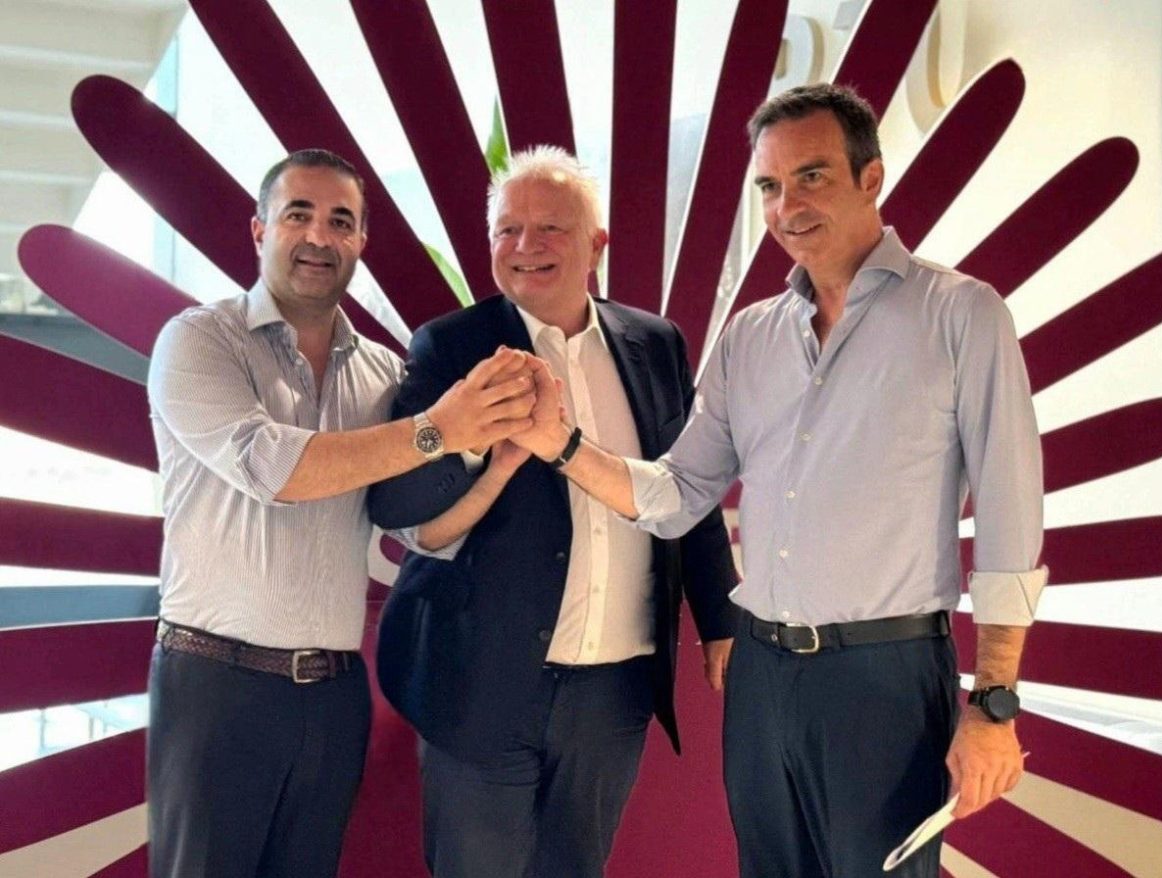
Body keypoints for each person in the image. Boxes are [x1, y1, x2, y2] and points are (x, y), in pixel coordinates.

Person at [505, 85, 1047, 877]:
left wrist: (994, 705)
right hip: (761, 678)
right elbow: (676, 494)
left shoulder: (962, 315)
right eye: (769, 185)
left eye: (812, 176)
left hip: (885, 678)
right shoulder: (749, 337)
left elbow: (1009, 519)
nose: (787, 206)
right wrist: (561, 445)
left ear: (871, 178)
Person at [145, 148, 537, 878]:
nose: (319, 237)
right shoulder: (199, 340)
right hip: (216, 687)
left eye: (340, 221)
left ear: (361, 241)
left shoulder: (385, 373)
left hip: (333, 696)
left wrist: (494, 461)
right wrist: (437, 430)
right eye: (299, 214)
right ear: (260, 229)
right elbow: (274, 470)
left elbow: (419, 532)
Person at [367, 146, 739, 878]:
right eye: (508, 230)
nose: (525, 246)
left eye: (550, 229)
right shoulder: (451, 346)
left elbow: (687, 487)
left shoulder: (655, 344)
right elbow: (398, 504)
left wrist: (720, 615)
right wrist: (467, 433)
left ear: (596, 245)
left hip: (614, 688)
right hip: (479, 680)